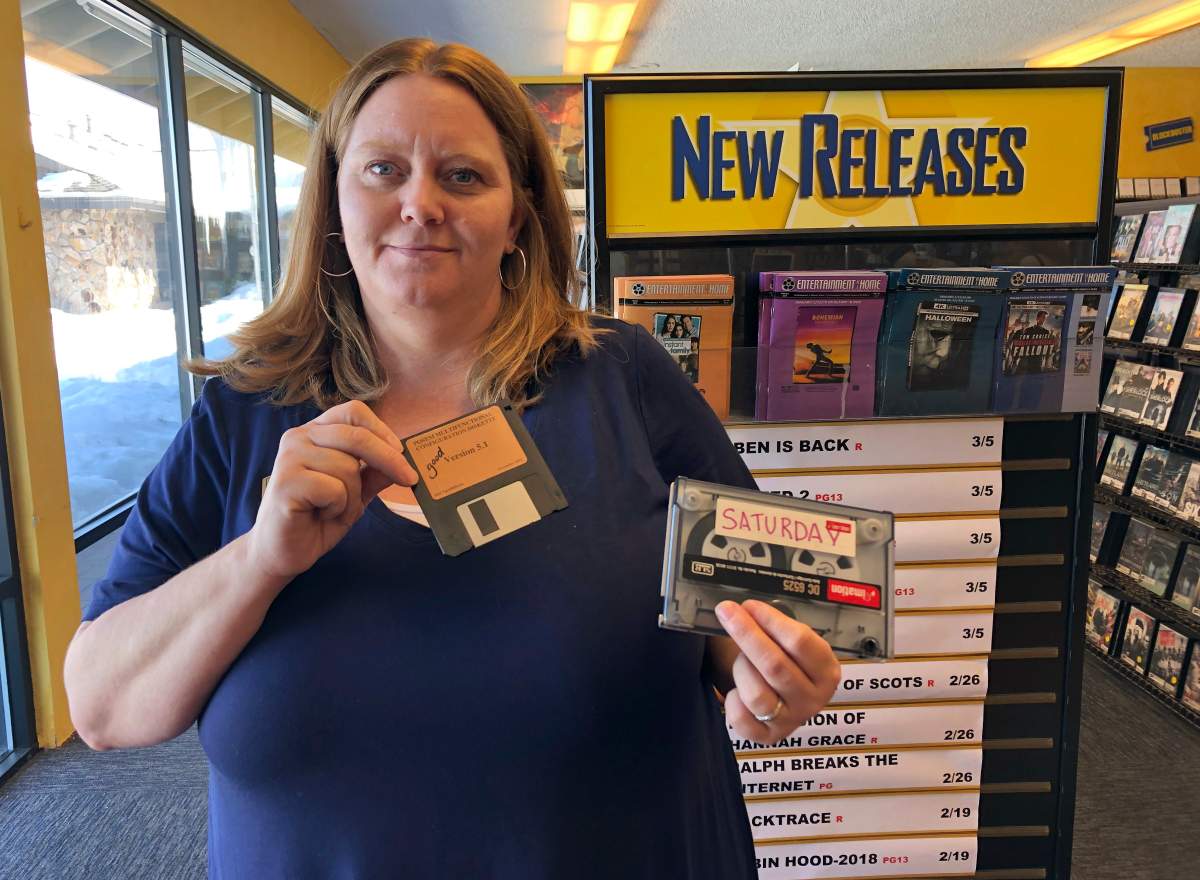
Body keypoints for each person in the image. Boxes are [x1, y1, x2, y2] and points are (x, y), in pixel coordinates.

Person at [61, 39, 840, 879]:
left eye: (463, 176)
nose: (419, 204)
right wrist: (258, 563)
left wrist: (769, 675)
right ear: (333, 203)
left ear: (519, 216)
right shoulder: (242, 416)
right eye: (383, 170)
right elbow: (102, 709)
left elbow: (756, 613)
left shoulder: (626, 379)